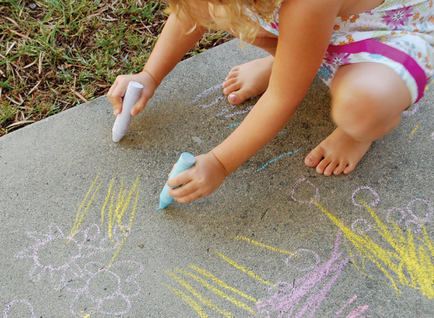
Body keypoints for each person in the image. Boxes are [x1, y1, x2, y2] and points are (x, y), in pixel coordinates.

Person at [107, 0, 434, 204]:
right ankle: (290, 61)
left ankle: (357, 132)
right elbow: (192, 13)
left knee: (361, 108)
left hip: (384, 38)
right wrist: (151, 73)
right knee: (229, 14)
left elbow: (282, 98)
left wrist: (221, 163)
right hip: (318, 30)